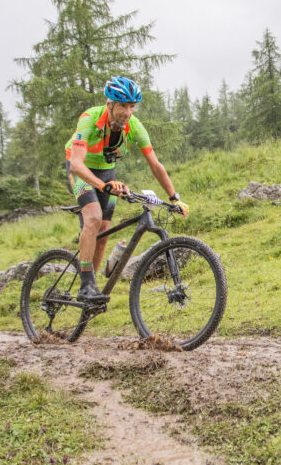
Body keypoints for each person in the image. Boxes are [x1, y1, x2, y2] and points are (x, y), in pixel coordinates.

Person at [65, 75, 189, 302]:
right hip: (81, 169)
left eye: (132, 106)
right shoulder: (89, 119)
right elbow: (76, 164)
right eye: (122, 106)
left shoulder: (135, 127)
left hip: (106, 170)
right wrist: (103, 186)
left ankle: (91, 289)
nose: (127, 112)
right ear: (109, 104)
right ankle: (85, 286)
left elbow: (155, 165)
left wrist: (174, 198)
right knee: (93, 218)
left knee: (104, 230)